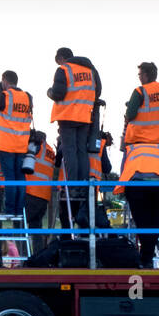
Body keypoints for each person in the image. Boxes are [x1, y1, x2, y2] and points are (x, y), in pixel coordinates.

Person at [47, 47, 102, 218]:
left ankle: (73, 187)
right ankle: (82, 186)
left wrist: (49, 92)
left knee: (70, 152)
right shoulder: (90, 70)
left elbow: (58, 93)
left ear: (62, 58)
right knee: (81, 151)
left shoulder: (64, 69)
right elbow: (97, 91)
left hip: (68, 115)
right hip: (85, 116)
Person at [114, 142, 159, 268]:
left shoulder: (131, 148)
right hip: (158, 186)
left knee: (141, 222)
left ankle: (145, 258)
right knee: (153, 219)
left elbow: (124, 172)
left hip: (137, 186)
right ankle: (147, 257)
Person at [0, 71, 33, 217]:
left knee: (10, 178)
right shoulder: (27, 96)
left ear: (5, 80)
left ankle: (11, 210)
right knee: (20, 178)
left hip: (6, 143)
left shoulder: (5, 96)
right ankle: (19, 209)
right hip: (22, 143)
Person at [123, 62, 159, 147]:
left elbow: (130, 115)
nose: (139, 77)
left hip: (139, 140)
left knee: (127, 160)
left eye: (139, 74)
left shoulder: (139, 91)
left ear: (145, 75)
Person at [22, 132, 58, 248]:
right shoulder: (51, 151)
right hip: (45, 196)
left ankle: (19, 257)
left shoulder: (35, 147)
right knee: (35, 226)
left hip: (32, 192)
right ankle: (38, 255)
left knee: (20, 224)